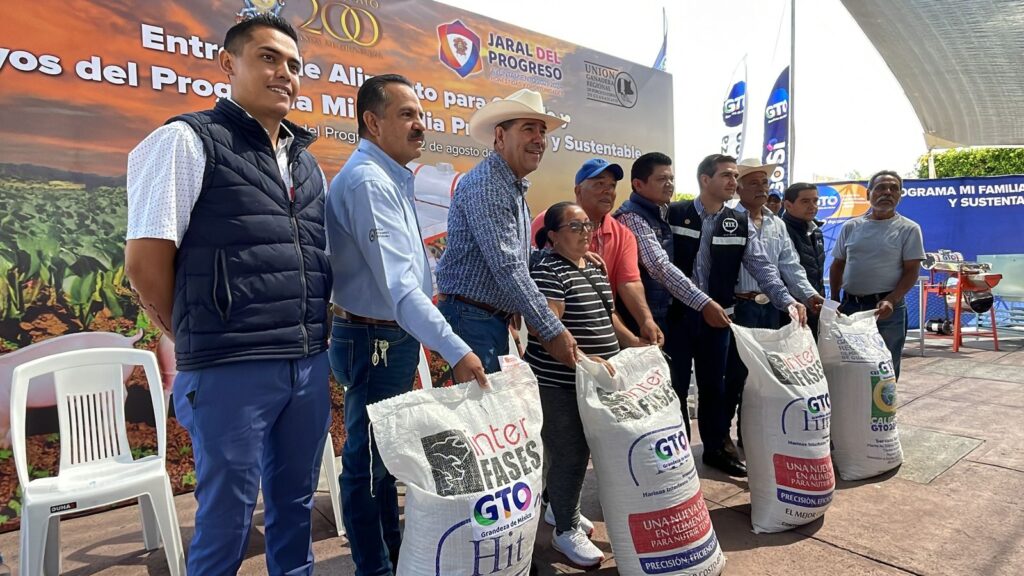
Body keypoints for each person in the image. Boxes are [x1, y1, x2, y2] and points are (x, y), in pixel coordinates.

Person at [124, 14, 331, 574]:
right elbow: (144, 264)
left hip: (306, 363)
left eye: (294, 64)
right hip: (228, 367)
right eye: (267, 57)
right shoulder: (186, 141)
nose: (284, 73)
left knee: (295, 507)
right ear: (228, 63)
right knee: (226, 523)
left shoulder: (306, 163)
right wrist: (196, 334)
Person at [325, 74, 487, 576]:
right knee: (366, 464)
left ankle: (392, 558)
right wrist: (456, 350)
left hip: (383, 335)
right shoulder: (369, 183)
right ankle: (373, 567)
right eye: (406, 114)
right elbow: (400, 288)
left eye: (421, 114)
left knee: (382, 462)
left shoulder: (388, 176)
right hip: (372, 337)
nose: (420, 125)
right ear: (372, 123)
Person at [664, 153, 805, 477]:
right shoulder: (676, 214)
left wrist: (786, 300)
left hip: (719, 319)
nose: (733, 182)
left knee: (716, 387)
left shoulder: (738, 222)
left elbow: (762, 267)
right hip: (678, 318)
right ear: (705, 180)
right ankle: (677, 456)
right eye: (726, 175)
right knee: (676, 387)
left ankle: (717, 449)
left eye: (734, 176)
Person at [527, 202, 640, 567]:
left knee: (579, 451)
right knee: (570, 452)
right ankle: (565, 530)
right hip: (560, 381)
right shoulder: (548, 270)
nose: (585, 232)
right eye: (574, 227)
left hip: (593, 382)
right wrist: (586, 360)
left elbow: (609, 317)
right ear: (552, 236)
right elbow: (547, 328)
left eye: (587, 225)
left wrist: (636, 342)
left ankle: (560, 508)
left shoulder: (592, 266)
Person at [435, 89, 576, 372]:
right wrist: (551, 330)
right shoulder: (489, 185)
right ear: (500, 137)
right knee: (483, 400)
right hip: (472, 319)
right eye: (528, 129)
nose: (539, 139)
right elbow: (508, 266)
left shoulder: (508, 186)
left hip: (483, 318)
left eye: (542, 131)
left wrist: (567, 256)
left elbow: (517, 255)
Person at [723, 160, 823, 452]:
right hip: (739, 308)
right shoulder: (726, 219)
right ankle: (722, 438)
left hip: (772, 309)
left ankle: (752, 435)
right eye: (753, 183)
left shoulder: (776, 224)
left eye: (765, 183)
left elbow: (790, 266)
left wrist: (809, 295)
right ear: (738, 188)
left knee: (766, 377)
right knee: (735, 376)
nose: (761, 188)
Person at [530, 158, 664, 347]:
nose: (608, 190)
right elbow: (529, 267)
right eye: (600, 184)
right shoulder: (548, 220)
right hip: (558, 341)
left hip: (602, 331)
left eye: (612, 185)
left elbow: (628, 283)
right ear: (578, 190)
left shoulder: (623, 234)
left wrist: (645, 321)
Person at [830, 170, 924, 380]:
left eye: (894, 189)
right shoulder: (851, 227)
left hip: (887, 311)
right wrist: (835, 299)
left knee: (886, 369)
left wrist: (891, 300)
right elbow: (837, 265)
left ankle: (884, 403)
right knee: (850, 367)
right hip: (850, 309)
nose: (887, 192)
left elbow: (911, 271)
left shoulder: (909, 229)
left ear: (900, 195)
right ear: (868, 194)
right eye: (881, 187)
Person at [781, 182, 827, 339]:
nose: (812, 206)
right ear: (788, 205)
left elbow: (816, 271)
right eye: (805, 201)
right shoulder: (779, 230)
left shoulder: (816, 231)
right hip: (789, 310)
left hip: (814, 305)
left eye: (815, 200)